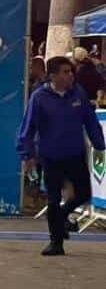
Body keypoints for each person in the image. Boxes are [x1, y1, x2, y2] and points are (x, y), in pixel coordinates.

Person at [17, 56, 106, 256]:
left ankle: (62, 216)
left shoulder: (78, 94)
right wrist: (27, 154)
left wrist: (99, 143)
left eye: (71, 71)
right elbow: (28, 126)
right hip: (51, 156)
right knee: (53, 198)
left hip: (75, 154)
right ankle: (56, 242)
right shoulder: (39, 97)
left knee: (84, 194)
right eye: (65, 72)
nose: (70, 75)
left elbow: (90, 120)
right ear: (53, 75)